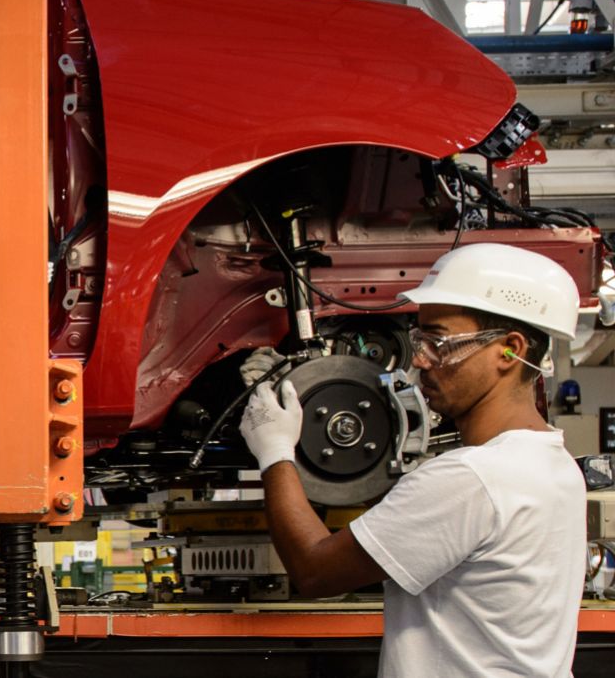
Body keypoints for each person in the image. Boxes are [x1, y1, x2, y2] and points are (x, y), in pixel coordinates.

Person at [240, 243, 586, 677]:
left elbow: (314, 570)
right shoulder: (555, 466)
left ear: (510, 351)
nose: (420, 359)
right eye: (420, 340)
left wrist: (274, 451)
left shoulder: (470, 478)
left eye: (440, 341)